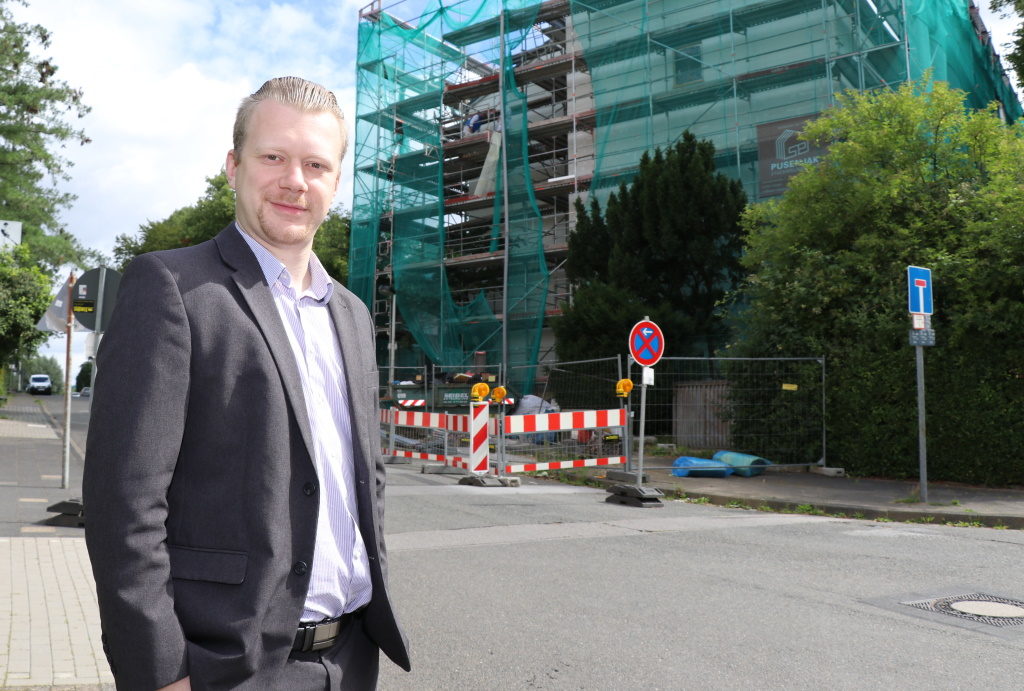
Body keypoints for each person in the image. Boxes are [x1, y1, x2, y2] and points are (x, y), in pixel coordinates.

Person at [83, 76, 410, 690]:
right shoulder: (172, 289)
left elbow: (364, 475)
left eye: (316, 164)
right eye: (273, 157)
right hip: (226, 667)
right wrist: (159, 673)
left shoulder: (354, 315)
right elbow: (123, 506)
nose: (295, 180)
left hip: (351, 657)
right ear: (233, 166)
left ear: (335, 183)